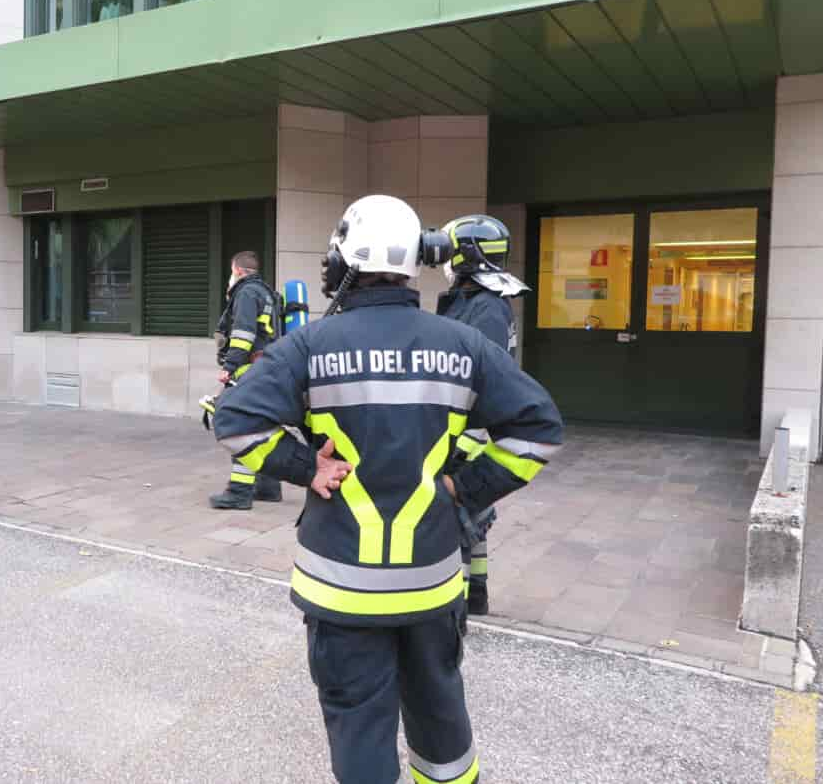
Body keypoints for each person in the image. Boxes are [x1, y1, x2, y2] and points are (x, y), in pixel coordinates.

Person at [214, 195, 563, 784]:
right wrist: (463, 488)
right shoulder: (461, 343)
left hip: (341, 587)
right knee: (440, 713)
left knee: (359, 723)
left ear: (346, 255)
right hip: (431, 580)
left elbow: (235, 420)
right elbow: (539, 430)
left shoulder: (310, 345)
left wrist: (306, 468)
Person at [435, 214, 532, 619]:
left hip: (465, 429)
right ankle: (476, 591)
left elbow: (478, 376)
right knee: (472, 516)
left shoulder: (486, 307)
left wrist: (457, 437)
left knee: (452, 518)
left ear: (466, 255)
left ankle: (453, 608)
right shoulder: (477, 301)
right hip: (464, 425)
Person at [208, 250, 282, 511]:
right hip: (268, 368)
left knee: (241, 427)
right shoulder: (267, 293)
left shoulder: (247, 293)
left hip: (250, 368)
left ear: (238, 271)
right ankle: (269, 486)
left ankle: (239, 492)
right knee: (264, 426)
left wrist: (229, 367)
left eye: (231, 271)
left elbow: (242, 334)